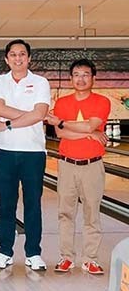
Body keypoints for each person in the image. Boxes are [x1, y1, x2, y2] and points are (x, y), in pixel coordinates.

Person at [0, 39, 50, 271]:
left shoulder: (41, 82)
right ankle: (4, 251)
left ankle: (33, 252)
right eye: (13, 55)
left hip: (34, 152)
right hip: (6, 152)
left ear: (29, 58)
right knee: (7, 204)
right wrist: (32, 116)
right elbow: (0, 109)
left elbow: (40, 112)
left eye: (22, 54)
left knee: (33, 204)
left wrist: (9, 124)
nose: (18, 58)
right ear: (6, 59)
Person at [45, 59, 110, 275]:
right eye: (76, 74)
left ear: (93, 78)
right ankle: (66, 257)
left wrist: (65, 123)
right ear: (71, 78)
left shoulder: (102, 101)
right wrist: (89, 133)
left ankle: (90, 259)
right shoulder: (62, 103)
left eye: (85, 74)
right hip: (67, 165)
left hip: (93, 166)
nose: (80, 79)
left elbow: (89, 124)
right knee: (65, 213)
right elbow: (61, 134)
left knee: (92, 214)